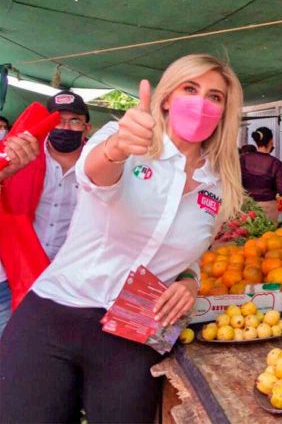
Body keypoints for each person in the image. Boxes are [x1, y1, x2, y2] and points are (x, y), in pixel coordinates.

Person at [0, 54, 244, 423]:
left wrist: (191, 283)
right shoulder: (123, 138)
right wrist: (116, 150)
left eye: (215, 97)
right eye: (190, 89)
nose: (201, 103)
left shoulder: (219, 186)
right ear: (166, 98)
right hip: (55, 314)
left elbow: (188, 255)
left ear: (225, 111)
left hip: (132, 334)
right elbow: (94, 176)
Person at [0, 91, 92, 336]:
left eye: (74, 120)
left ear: (86, 127)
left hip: (68, 278)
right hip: (16, 269)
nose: (66, 126)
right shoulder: (22, 155)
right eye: (59, 120)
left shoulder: (98, 167)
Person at [240, 126, 282, 221]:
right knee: (267, 234)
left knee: (247, 233)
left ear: (256, 142)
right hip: (268, 208)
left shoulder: (244, 158)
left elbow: (236, 181)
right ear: (271, 141)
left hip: (247, 206)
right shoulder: (275, 163)